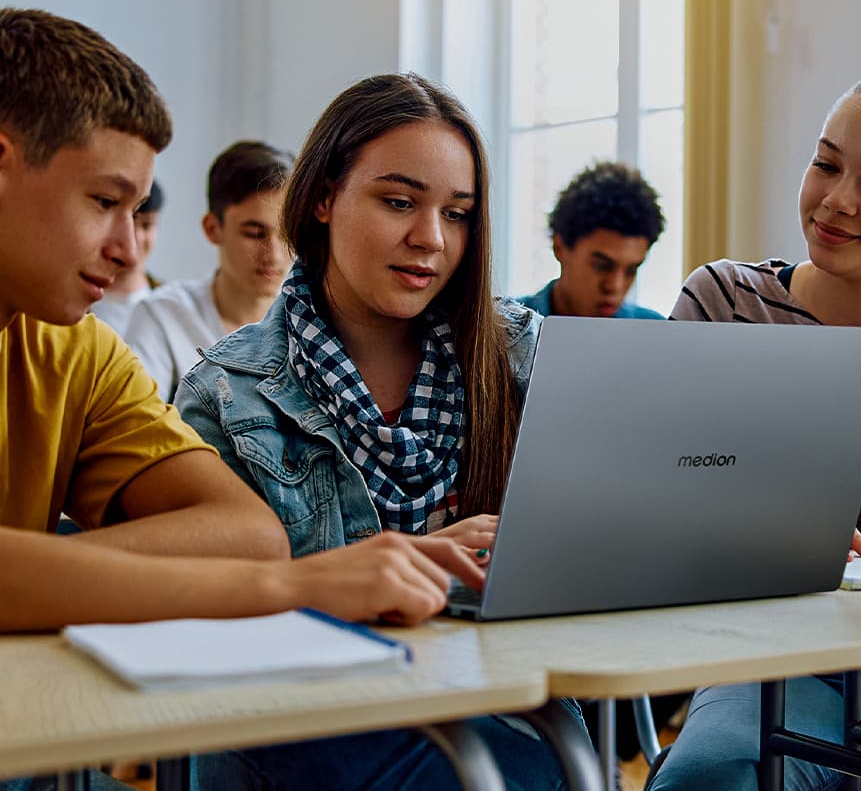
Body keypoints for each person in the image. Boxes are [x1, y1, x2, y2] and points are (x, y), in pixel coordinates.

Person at [0, 11, 485, 791]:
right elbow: (270, 569)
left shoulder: (77, 352)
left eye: (457, 213)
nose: (130, 251)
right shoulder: (223, 375)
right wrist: (299, 587)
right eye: (103, 201)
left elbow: (245, 538)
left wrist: (30, 576)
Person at [175, 72, 582, 790]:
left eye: (457, 214)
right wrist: (412, 565)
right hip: (299, 723)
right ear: (324, 198)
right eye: (399, 202)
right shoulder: (226, 393)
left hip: (502, 706)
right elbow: (202, 613)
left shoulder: (522, 353)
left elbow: (626, 511)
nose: (429, 239)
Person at [649, 67, 861, 791]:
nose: (837, 200)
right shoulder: (727, 302)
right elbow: (645, 498)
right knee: (711, 782)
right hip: (778, 658)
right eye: (826, 164)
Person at [125, 140, 294, 402]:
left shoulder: (313, 325)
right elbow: (137, 425)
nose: (274, 254)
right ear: (213, 228)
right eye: (253, 233)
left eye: (287, 234)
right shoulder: (164, 316)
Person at [515, 161, 665, 319]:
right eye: (602, 266)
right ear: (560, 247)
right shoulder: (500, 330)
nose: (615, 286)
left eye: (631, 270)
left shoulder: (655, 332)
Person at [93, 179, 164, 335]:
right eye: (131, 224)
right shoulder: (79, 301)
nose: (136, 238)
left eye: (147, 225)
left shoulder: (169, 303)